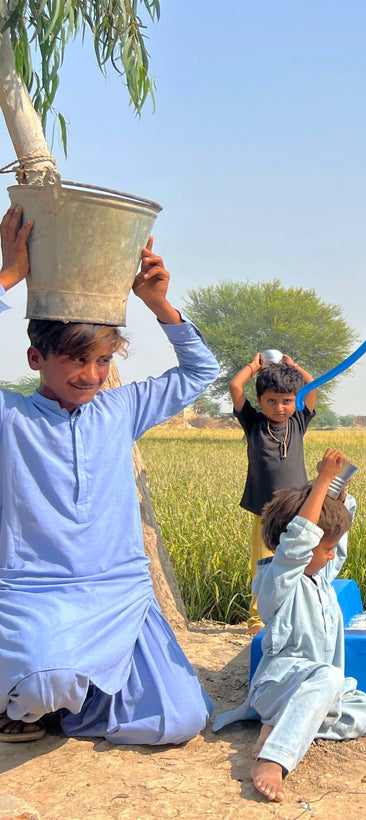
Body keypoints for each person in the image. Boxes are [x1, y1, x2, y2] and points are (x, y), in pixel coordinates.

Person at [0, 203, 219, 744]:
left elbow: (202, 371)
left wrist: (157, 301)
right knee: (48, 681)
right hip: (35, 592)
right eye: (76, 360)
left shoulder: (120, 409)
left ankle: (72, 702)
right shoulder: (11, 417)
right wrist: (9, 274)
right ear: (35, 358)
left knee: (181, 719)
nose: (91, 375)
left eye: (101, 361)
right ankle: (27, 699)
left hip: (119, 591)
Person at [212, 448, 366, 803]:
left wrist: (337, 490)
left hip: (318, 689)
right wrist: (321, 481)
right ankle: (273, 758)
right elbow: (299, 542)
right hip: (278, 686)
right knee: (329, 678)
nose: (334, 555)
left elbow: (334, 531)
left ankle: (281, 727)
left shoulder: (320, 576)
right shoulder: (278, 581)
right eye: (327, 548)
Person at [229, 352, 318, 635]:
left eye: (286, 401)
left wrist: (294, 366)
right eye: (271, 401)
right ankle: (258, 618)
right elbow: (235, 387)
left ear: (296, 400)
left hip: (297, 507)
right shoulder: (253, 423)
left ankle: (293, 612)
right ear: (260, 401)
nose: (279, 408)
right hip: (265, 509)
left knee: (299, 559)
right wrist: (252, 367)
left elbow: (313, 385)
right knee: (263, 563)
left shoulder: (299, 422)